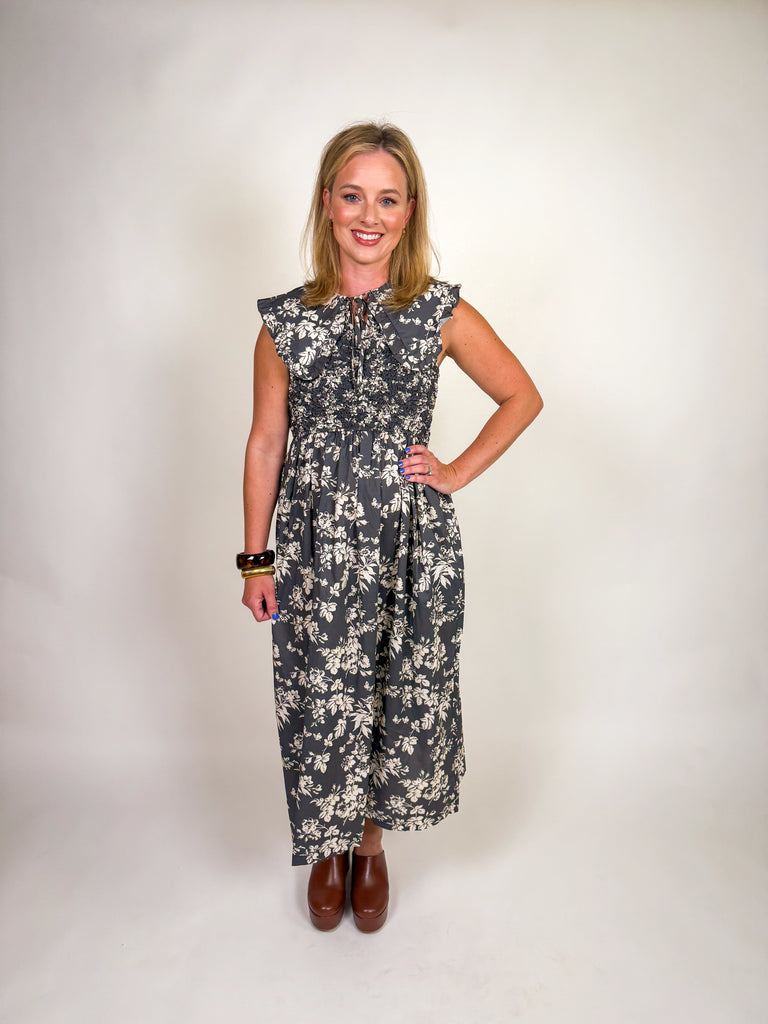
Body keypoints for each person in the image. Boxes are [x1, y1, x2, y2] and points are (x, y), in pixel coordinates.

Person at [240, 122, 542, 933]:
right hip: (312, 551)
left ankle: (368, 848)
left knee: (395, 697)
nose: (367, 215)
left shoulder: (439, 310)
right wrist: (254, 560)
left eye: (387, 198)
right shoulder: (285, 323)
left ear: (408, 213)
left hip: (410, 548)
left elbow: (522, 396)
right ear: (328, 206)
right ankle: (329, 846)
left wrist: (452, 472)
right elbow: (267, 440)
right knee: (323, 699)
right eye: (352, 196)